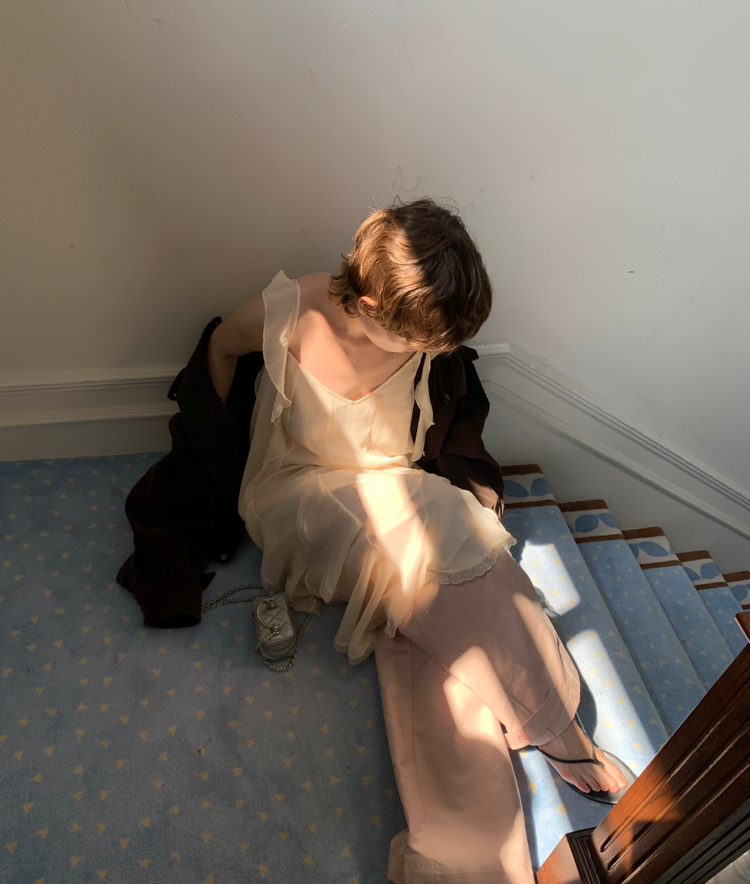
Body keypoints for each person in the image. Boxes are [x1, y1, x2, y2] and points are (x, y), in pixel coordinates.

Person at [206, 198, 628, 884]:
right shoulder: (291, 310)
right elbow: (221, 348)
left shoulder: (421, 331)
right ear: (372, 305)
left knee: (437, 623)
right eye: (419, 346)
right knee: (439, 526)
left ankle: (458, 861)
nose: (431, 357)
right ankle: (554, 723)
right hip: (300, 496)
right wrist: (215, 455)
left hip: (390, 484)